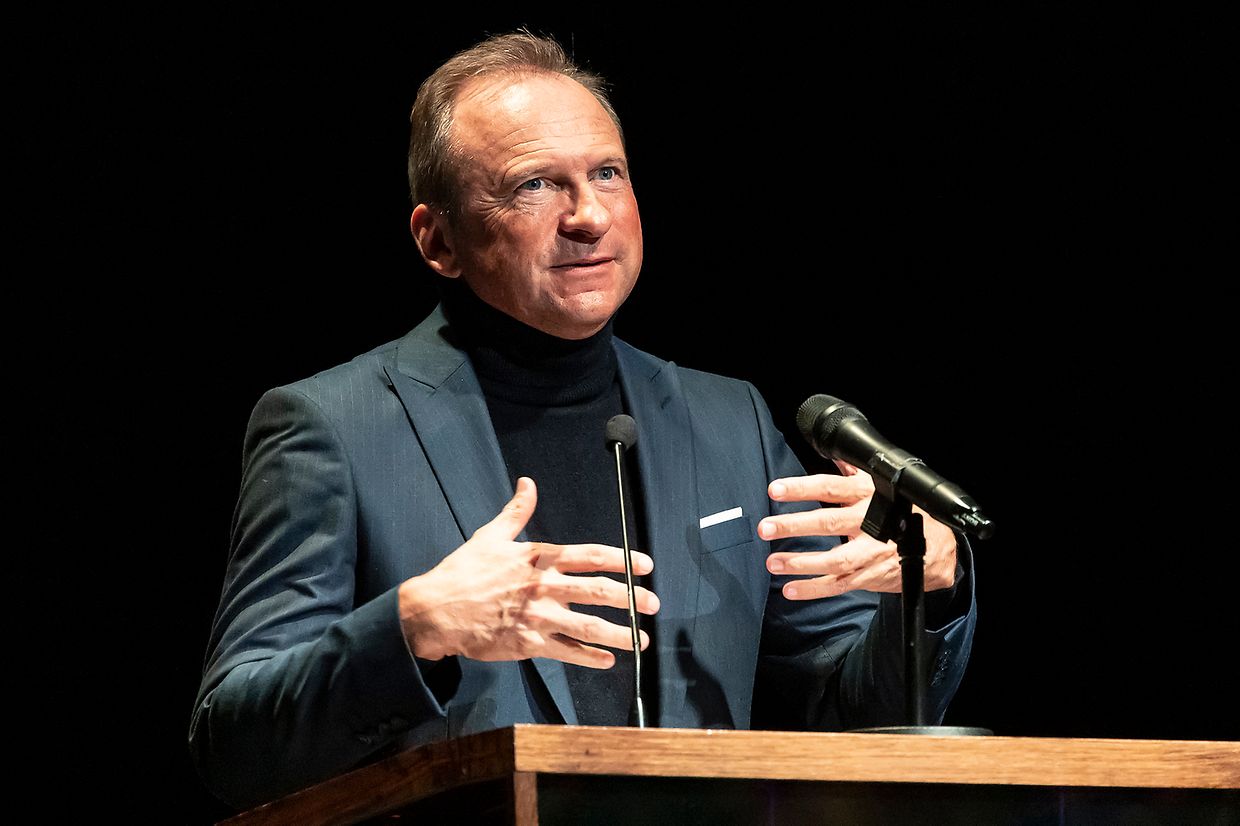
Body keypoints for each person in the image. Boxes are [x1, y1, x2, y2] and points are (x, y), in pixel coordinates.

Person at [189, 31, 976, 811]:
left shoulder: (726, 420)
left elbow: (850, 720)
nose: (589, 215)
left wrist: (927, 587)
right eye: (535, 185)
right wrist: (414, 628)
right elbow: (234, 747)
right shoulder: (335, 428)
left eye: (607, 173)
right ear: (438, 240)